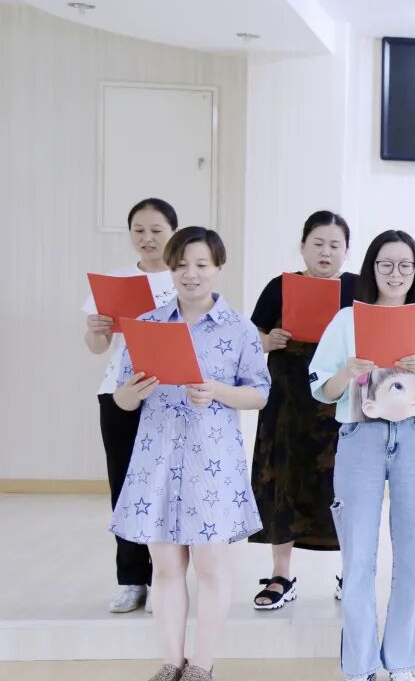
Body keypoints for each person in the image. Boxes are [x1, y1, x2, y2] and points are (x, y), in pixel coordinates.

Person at [110, 227, 270, 681]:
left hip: (211, 464)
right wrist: (133, 391)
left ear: (218, 267)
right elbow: (122, 399)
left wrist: (217, 391)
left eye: (201, 264)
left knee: (211, 566)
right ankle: (171, 662)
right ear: (170, 268)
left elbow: (259, 394)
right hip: (157, 460)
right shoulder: (148, 324)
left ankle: (202, 665)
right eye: (181, 265)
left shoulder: (239, 329)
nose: (191, 274)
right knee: (165, 567)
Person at [309, 230, 415, 681]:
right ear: (371, 269)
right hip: (360, 435)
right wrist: (348, 370)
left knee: (412, 555)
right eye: (386, 265)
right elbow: (321, 389)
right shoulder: (347, 320)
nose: (395, 274)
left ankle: (401, 661)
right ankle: (360, 665)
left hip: (414, 437)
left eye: (405, 266)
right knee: (358, 556)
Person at [249, 211, 358, 609]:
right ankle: (281, 575)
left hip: (341, 404)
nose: (326, 252)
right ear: (302, 246)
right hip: (287, 403)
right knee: (284, 482)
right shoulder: (280, 286)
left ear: (346, 251)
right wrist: (268, 340)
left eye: (335, 245)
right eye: (318, 243)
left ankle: (352, 575)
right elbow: (250, 336)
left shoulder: (358, 288)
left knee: (346, 488)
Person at [82, 197, 179, 613]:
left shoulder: (184, 277)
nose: (147, 238)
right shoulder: (116, 280)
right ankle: (131, 580)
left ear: (173, 232)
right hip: (119, 391)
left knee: (165, 486)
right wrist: (96, 328)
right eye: (139, 230)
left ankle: (164, 579)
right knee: (123, 485)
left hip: (169, 394)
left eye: (156, 230)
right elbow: (96, 346)